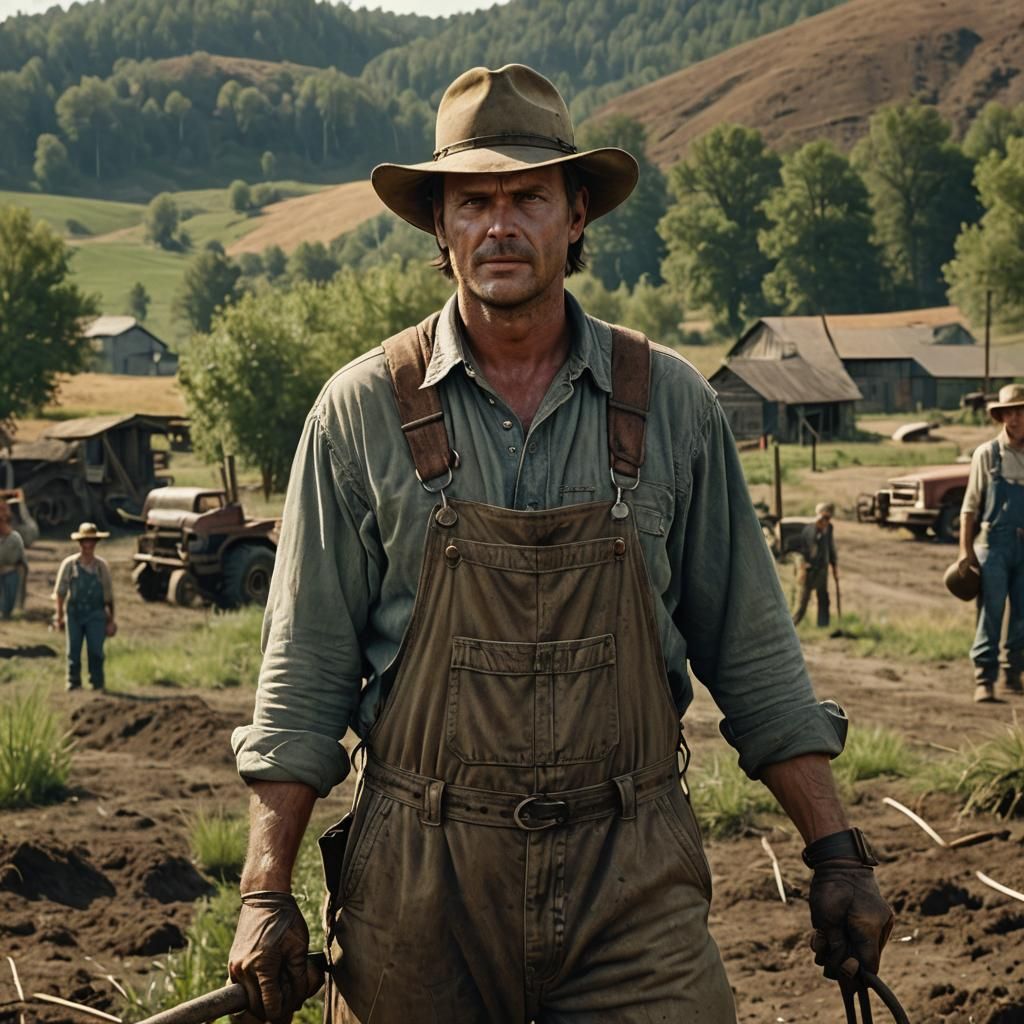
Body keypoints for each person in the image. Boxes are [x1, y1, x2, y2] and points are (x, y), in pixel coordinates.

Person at [228, 64, 893, 1024]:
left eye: (528, 197)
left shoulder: (673, 404)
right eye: (474, 202)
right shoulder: (361, 411)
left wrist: (836, 853)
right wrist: (264, 891)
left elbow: (754, 657)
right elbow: (303, 677)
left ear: (576, 215)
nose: (500, 225)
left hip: (629, 876)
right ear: (441, 227)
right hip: (422, 882)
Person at [959, 383, 1024, 703]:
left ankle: (1014, 674)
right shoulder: (987, 454)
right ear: (1001, 417)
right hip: (993, 545)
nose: (1016, 418)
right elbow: (969, 507)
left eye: (1021, 412)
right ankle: (984, 678)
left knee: (1023, 613)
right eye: (1009, 412)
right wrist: (965, 551)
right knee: (992, 611)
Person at [53, 522, 116, 691]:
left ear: (96, 543)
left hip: (96, 614)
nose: (88, 545)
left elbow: (108, 597)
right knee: (73, 651)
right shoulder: (69, 565)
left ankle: (97, 683)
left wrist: (110, 621)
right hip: (74, 614)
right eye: (85, 541)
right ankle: (73, 683)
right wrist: (59, 617)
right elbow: (60, 592)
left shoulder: (102, 567)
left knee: (96, 651)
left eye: (92, 541)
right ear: (80, 543)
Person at [793, 502, 839, 628]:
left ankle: (823, 625)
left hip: (822, 569)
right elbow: (806, 550)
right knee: (803, 601)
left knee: (823, 597)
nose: (826, 521)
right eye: (824, 518)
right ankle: (792, 625)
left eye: (828, 518)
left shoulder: (829, 528)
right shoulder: (810, 530)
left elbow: (830, 547)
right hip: (809, 570)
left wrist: (834, 566)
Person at [0, 501, 27, 619]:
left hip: (10, 572)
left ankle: (7, 614)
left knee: (9, 597)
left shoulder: (15, 538)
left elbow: (18, 559)